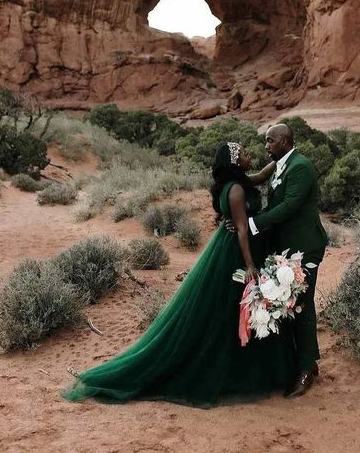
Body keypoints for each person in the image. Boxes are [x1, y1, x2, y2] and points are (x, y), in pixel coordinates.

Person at [62, 142, 296, 408]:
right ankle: (230, 373)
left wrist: (286, 156)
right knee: (230, 312)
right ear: (233, 162)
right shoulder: (237, 190)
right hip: (237, 254)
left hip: (229, 247)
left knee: (233, 312)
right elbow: (242, 229)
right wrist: (250, 265)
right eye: (243, 154)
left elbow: (262, 175)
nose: (248, 155)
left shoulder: (237, 183)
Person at [248, 123, 328, 398]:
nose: (266, 146)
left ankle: (306, 369)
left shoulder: (301, 167)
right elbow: (262, 184)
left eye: (270, 141)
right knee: (293, 306)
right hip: (286, 248)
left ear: (283, 141)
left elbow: (289, 206)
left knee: (301, 306)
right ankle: (307, 361)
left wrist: (253, 224)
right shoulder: (281, 164)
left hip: (306, 247)